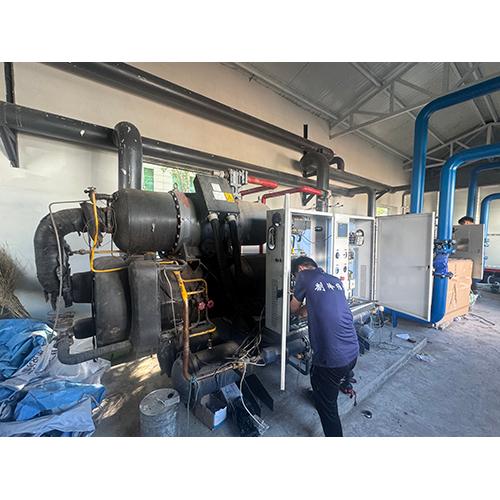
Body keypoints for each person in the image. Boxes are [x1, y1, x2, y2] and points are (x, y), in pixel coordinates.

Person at [290, 256, 359, 437]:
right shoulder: (334, 280)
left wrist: (292, 305)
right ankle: (324, 393)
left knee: (328, 409)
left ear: (301, 268)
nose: (296, 279)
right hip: (353, 352)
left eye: (294, 275)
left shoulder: (304, 276)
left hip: (332, 361)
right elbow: (313, 308)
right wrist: (304, 310)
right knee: (320, 376)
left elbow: (293, 308)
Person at [457, 216, 479, 295]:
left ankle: (472, 294)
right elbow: (461, 248)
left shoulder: (474, 232)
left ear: (466, 222)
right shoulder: (474, 232)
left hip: (473, 260)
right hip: (470, 260)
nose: (461, 226)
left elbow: (461, 249)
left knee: (471, 279)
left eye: (462, 224)